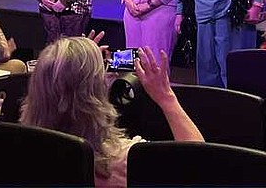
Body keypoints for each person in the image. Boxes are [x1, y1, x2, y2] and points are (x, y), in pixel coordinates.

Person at [20, 37, 203, 186]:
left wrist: (79, 62)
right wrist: (167, 98)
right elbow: (200, 162)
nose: (110, 74)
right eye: (104, 71)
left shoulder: (23, 150)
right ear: (93, 91)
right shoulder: (125, 160)